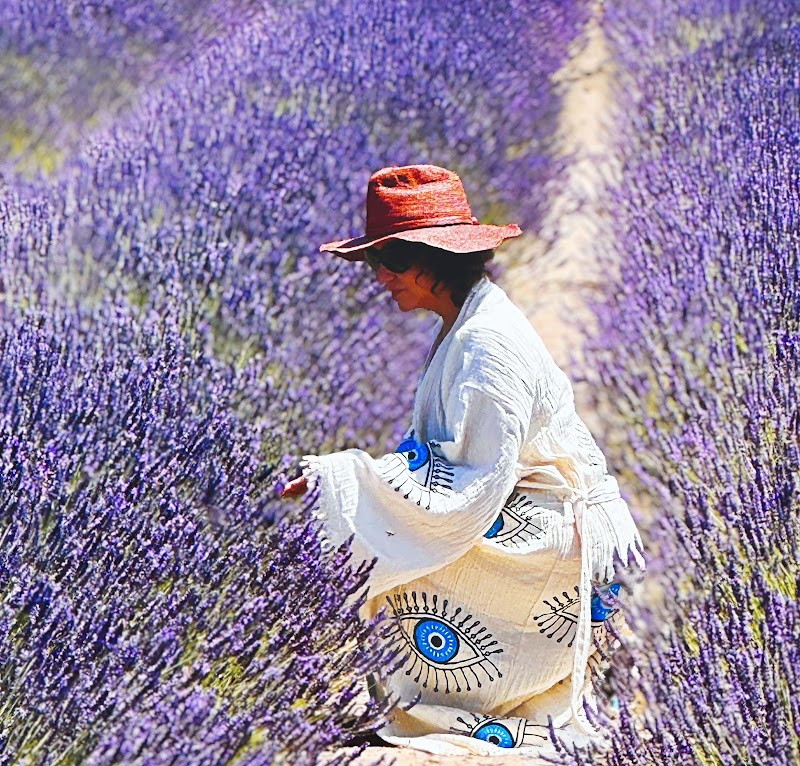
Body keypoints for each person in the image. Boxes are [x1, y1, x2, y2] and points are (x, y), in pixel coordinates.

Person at [281, 164, 644, 757]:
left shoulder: (485, 344)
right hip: (538, 518)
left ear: (431, 260)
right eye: (374, 263)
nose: (379, 278)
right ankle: (446, 700)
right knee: (394, 540)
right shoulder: (467, 321)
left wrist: (342, 480)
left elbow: (468, 488)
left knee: (403, 554)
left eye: (390, 262)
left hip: (559, 542)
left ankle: (453, 708)